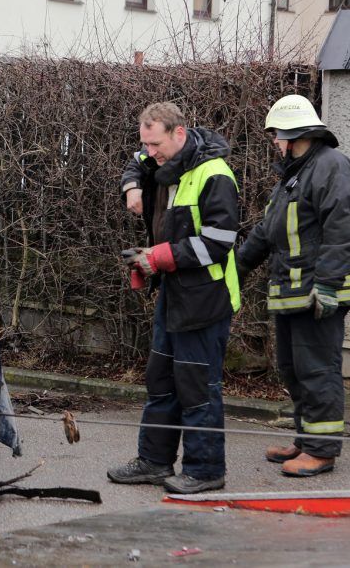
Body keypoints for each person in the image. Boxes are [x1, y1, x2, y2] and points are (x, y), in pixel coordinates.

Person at [109, 102, 240, 494]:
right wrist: (132, 185)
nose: (149, 153)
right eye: (146, 144)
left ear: (178, 134)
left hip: (207, 297)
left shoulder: (215, 174)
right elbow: (135, 164)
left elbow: (219, 243)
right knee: (161, 379)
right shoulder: (165, 161)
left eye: (155, 144)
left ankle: (205, 470)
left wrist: (159, 257)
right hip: (176, 292)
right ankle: (154, 461)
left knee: (197, 385)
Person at [236, 95, 350, 477]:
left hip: (318, 292)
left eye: (277, 134)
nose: (274, 141)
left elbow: (342, 233)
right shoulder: (296, 174)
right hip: (293, 290)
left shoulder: (332, 168)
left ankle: (322, 450)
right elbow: (269, 230)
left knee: (317, 370)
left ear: (293, 134)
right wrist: (237, 266)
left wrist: (326, 285)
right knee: (293, 369)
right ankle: (306, 439)